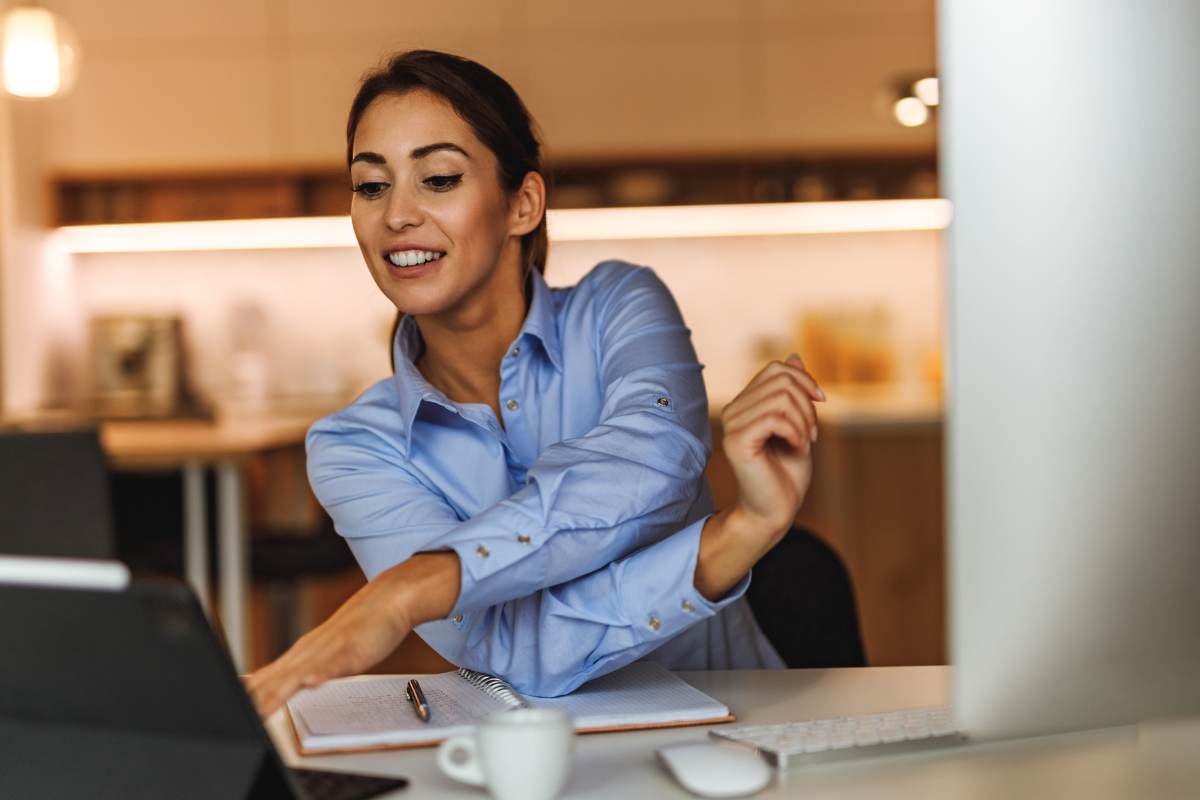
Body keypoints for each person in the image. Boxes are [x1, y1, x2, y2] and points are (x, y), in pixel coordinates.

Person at [246, 50, 824, 716]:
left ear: (522, 204)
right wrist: (732, 537)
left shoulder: (619, 306)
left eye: (437, 178)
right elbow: (511, 657)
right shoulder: (353, 448)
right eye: (371, 186)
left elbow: (653, 461)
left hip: (742, 730)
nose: (396, 215)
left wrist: (415, 585)